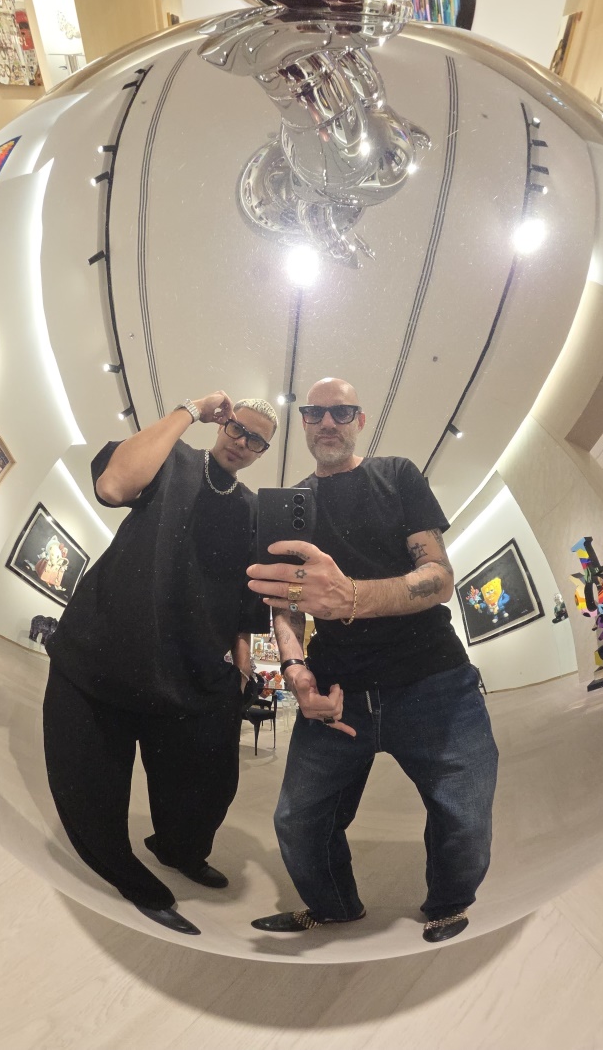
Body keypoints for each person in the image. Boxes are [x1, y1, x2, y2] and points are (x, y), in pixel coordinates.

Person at [246, 378, 498, 943]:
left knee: (464, 816)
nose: (327, 421)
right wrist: (294, 672)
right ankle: (334, 907)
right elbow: (285, 604)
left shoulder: (398, 475)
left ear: (360, 421)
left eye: (342, 412)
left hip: (435, 683)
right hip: (337, 694)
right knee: (300, 820)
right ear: (303, 422)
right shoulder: (288, 506)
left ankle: (448, 905)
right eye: (315, 412)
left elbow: (438, 577)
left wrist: (352, 597)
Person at [42, 391, 277, 937]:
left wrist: (244, 665)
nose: (242, 442)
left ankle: (178, 849)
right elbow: (112, 486)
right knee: (90, 779)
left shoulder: (251, 512)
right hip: (107, 648)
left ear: (263, 452)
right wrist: (189, 411)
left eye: (257, 441)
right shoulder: (171, 457)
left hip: (194, 669)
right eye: (238, 428)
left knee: (209, 781)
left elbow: (245, 600)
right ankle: (129, 878)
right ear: (223, 422)